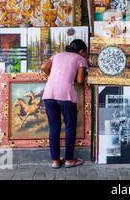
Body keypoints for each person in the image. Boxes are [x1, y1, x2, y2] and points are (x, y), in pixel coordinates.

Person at [41, 39, 88, 169]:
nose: (85, 55)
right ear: (81, 51)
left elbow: (44, 67)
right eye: (85, 53)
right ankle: (69, 160)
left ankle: (55, 161)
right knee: (70, 128)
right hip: (66, 95)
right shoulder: (80, 59)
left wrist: (51, 76)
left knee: (54, 128)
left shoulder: (56, 55)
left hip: (49, 93)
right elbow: (79, 80)